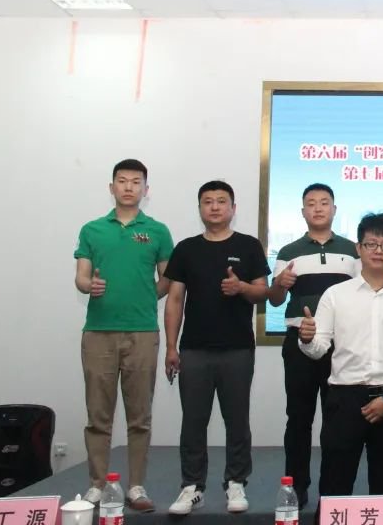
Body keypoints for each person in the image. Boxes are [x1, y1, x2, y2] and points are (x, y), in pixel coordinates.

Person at [299, 213, 383, 525]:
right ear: (359, 248)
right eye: (371, 244)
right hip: (344, 400)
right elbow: (319, 348)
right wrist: (307, 339)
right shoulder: (336, 295)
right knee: (335, 484)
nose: (378, 250)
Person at [163, 181, 270, 515]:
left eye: (221, 201)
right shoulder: (186, 249)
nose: (214, 207)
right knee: (193, 421)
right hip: (193, 349)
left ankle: (236, 482)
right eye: (207, 201)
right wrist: (170, 347)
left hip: (238, 348)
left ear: (233, 208)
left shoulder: (249, 246)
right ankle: (191, 486)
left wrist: (241, 288)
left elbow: (263, 292)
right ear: (200, 209)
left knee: (237, 419)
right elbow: (175, 300)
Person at [73, 159, 173, 511]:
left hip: (142, 332)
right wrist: (89, 285)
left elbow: (167, 278)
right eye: (122, 181)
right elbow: (81, 277)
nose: (129, 187)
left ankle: (136, 487)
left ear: (146, 189)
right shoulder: (92, 229)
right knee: (98, 415)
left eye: (136, 182)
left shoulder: (157, 231)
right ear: (111, 187)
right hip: (98, 333)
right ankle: (97, 484)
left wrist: (146, 297)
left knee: (139, 417)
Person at [269, 183, 359, 507]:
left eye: (324, 203)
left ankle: (332, 489)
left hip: (341, 345)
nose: (318, 208)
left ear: (334, 209)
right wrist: (280, 284)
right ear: (303, 211)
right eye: (311, 203)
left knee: (337, 421)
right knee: (299, 418)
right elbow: (274, 300)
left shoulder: (352, 250)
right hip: (298, 343)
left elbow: (362, 294)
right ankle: (297, 485)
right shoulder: (288, 251)